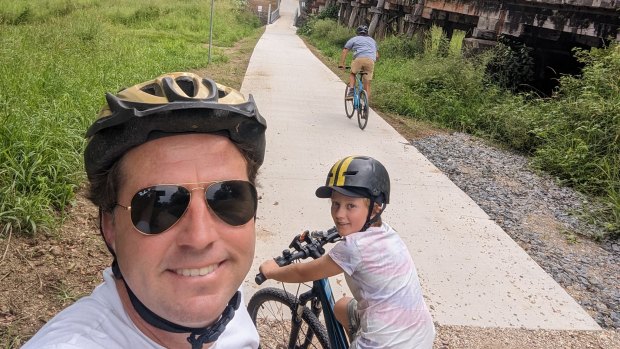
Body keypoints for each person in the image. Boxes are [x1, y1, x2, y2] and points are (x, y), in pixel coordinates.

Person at [23, 72, 267, 349]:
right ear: (110, 227)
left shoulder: (229, 302)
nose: (200, 239)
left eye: (228, 199)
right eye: (159, 206)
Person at [259, 156, 436, 348]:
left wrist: (271, 271)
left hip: (383, 345)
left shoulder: (354, 248)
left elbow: (302, 272)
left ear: (375, 208)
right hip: (421, 335)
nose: (339, 214)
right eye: (335, 204)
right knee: (343, 307)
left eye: (350, 206)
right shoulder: (386, 232)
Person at [338, 25, 379, 100]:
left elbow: (345, 50)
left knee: (353, 73)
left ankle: (351, 91)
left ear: (357, 32)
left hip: (359, 59)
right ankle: (366, 103)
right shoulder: (372, 41)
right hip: (370, 61)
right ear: (367, 33)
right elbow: (377, 56)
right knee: (367, 82)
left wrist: (341, 64)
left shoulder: (354, 39)